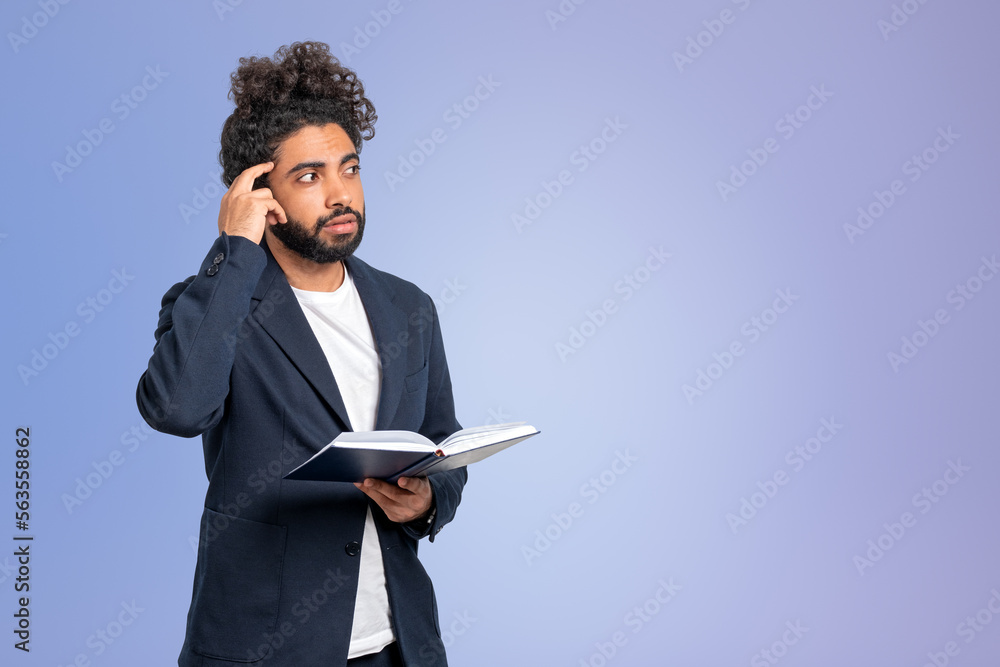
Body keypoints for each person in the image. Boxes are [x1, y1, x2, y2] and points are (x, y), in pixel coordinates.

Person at [136, 41, 467, 667]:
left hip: (400, 642)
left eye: (350, 168)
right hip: (265, 645)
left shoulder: (409, 306)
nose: (341, 194)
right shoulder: (214, 302)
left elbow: (442, 442)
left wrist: (428, 501)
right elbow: (177, 409)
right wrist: (236, 251)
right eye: (310, 177)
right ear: (260, 194)